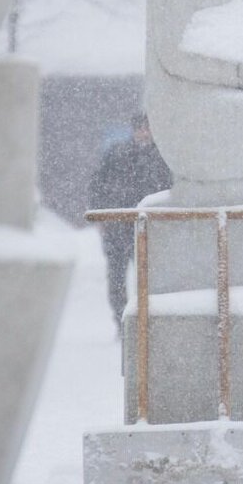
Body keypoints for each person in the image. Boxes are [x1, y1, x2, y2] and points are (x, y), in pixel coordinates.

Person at [88, 113, 173, 330]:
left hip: (148, 226)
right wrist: (100, 215)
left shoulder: (162, 157)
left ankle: (146, 321)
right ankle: (123, 323)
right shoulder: (117, 154)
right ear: (134, 130)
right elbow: (97, 183)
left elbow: (169, 189)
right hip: (117, 225)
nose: (144, 133)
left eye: (147, 128)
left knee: (148, 277)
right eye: (140, 128)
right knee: (117, 278)